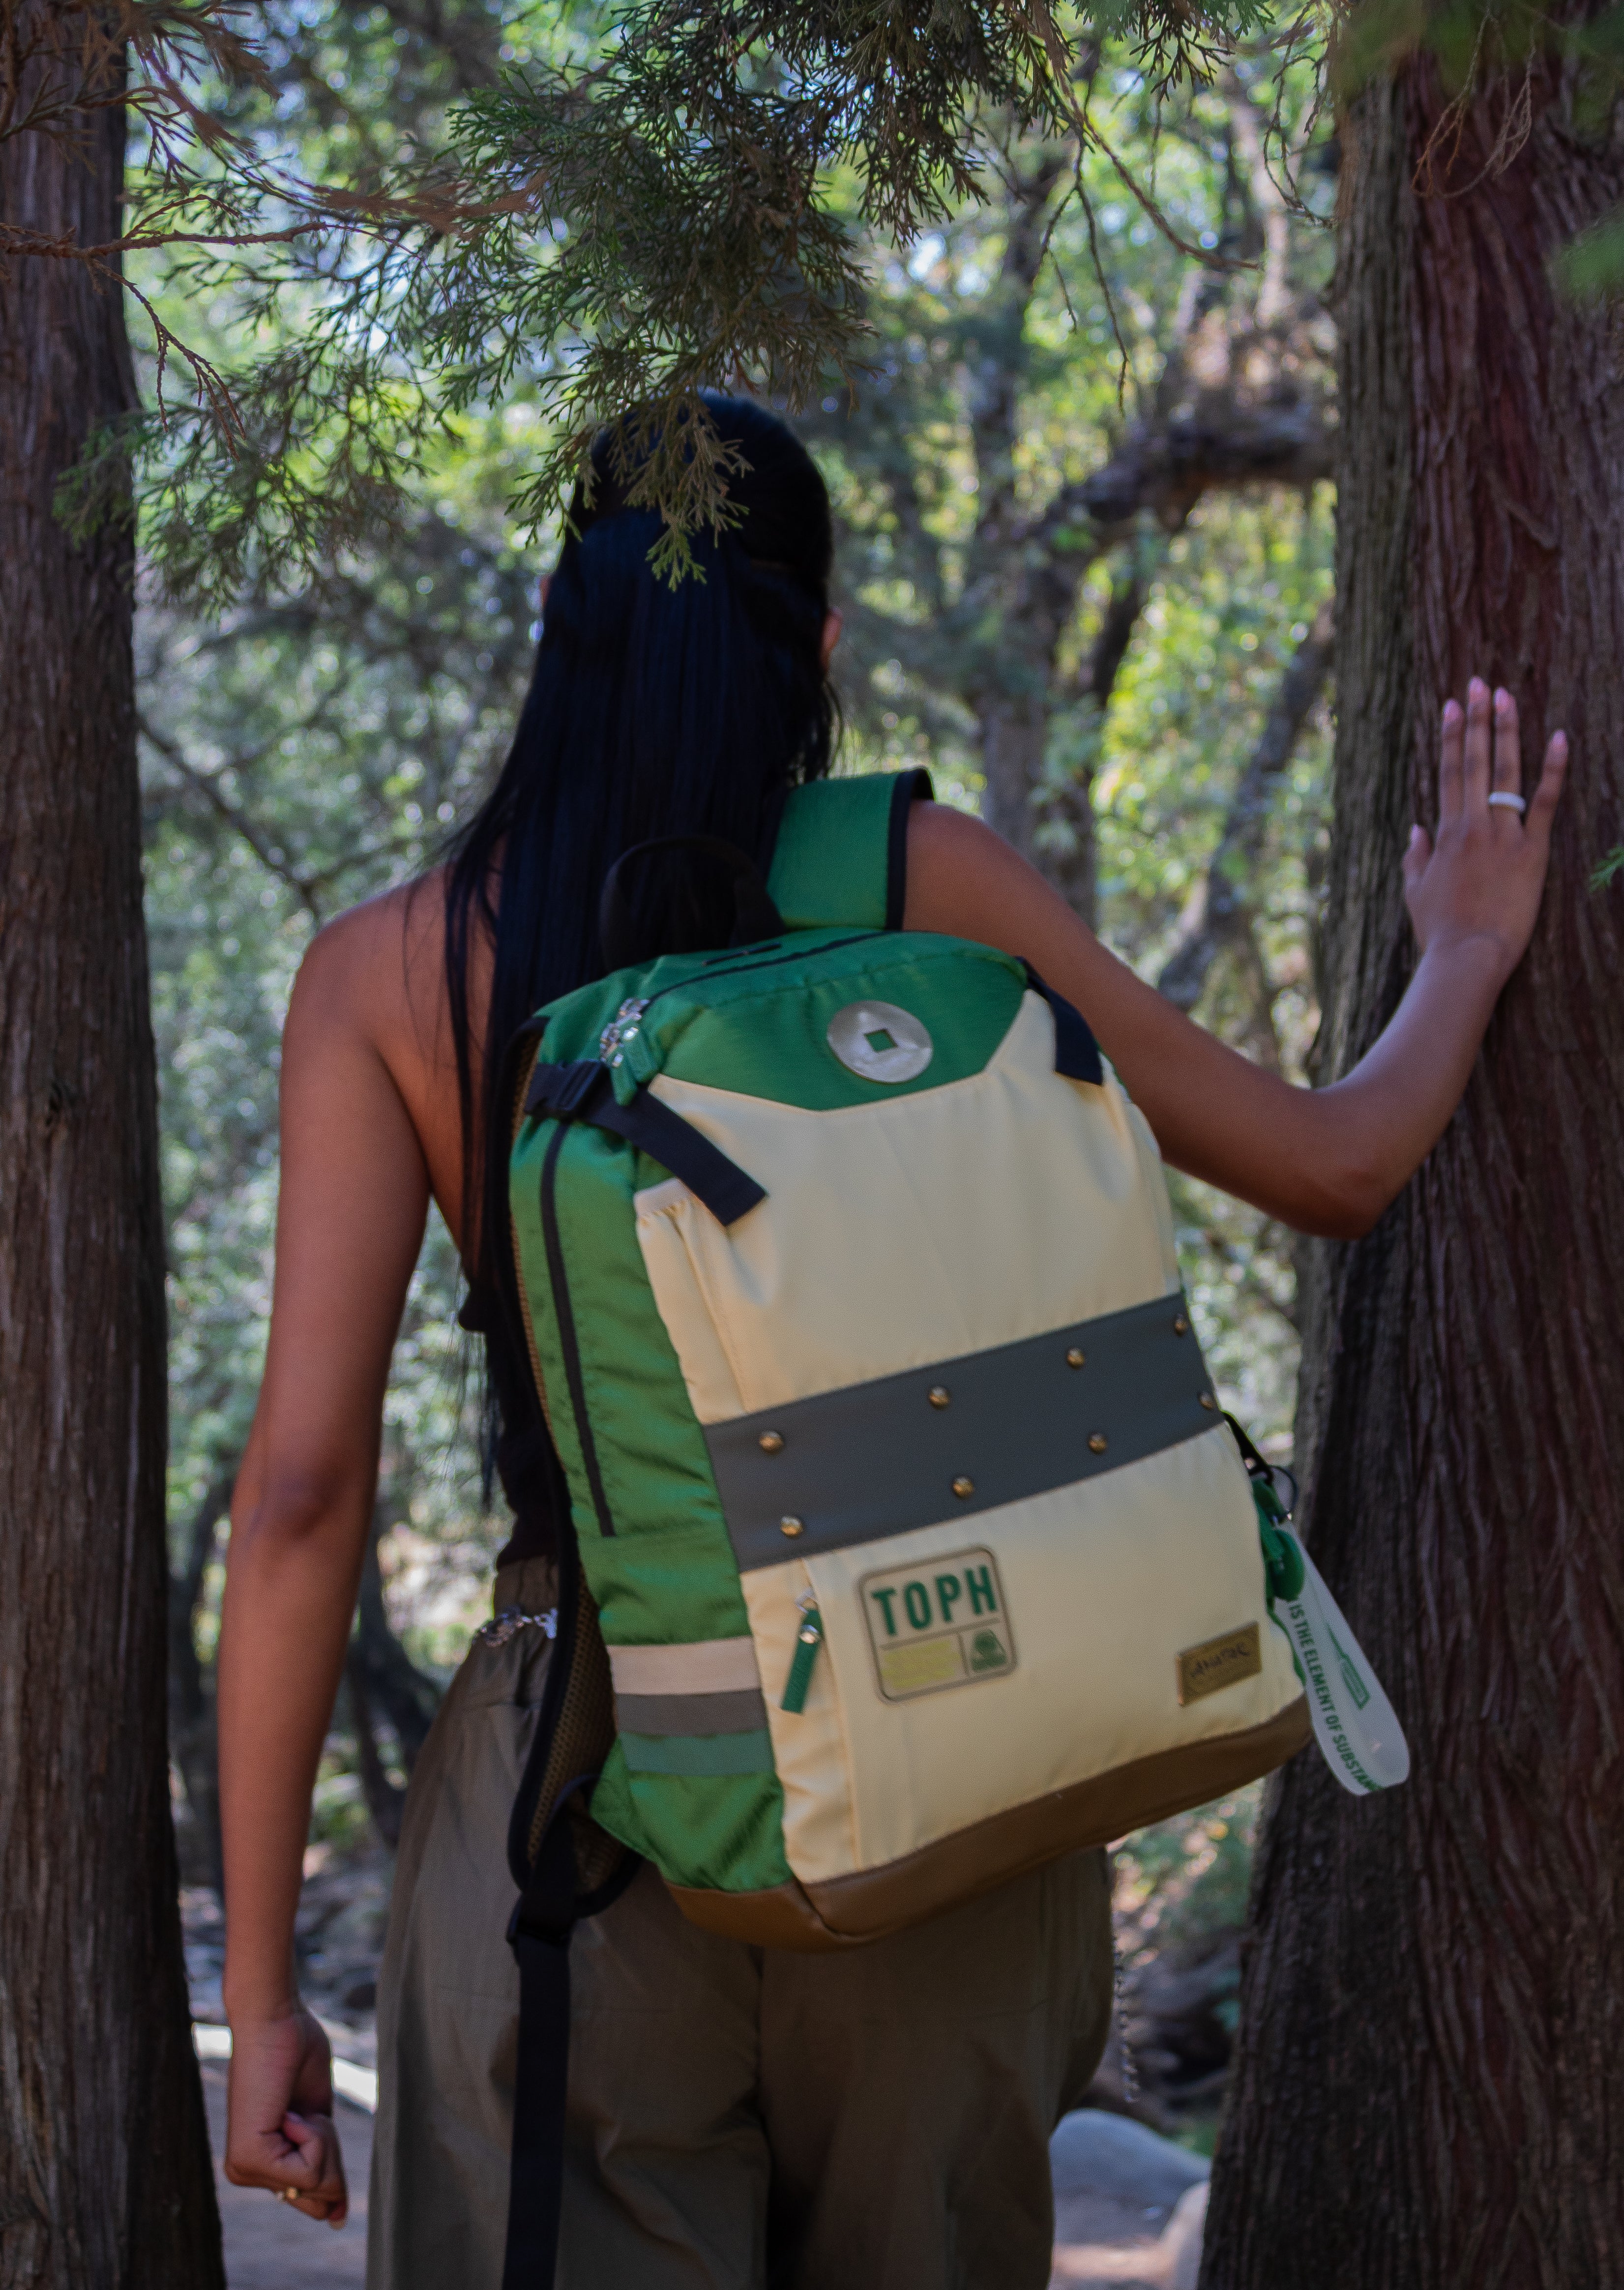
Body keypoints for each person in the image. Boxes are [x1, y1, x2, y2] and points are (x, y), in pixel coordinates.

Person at [217, 395, 1567, 2288]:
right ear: (824, 640)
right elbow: (1336, 1164)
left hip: (574, 1797)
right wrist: (1469, 949)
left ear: (563, 624)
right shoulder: (927, 880)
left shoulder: (392, 970)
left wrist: (262, 1989)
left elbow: (299, 1496)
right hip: (945, 1738)